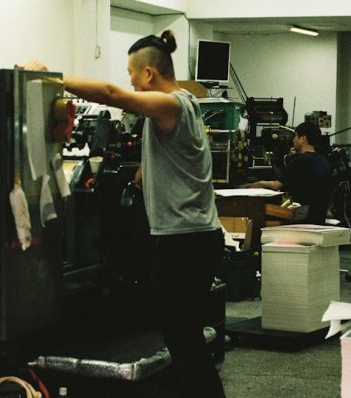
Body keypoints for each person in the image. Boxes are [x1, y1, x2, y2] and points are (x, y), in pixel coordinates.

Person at [23, 30, 225, 398]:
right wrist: (141, 174)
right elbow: (166, 163)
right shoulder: (185, 107)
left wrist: (50, 79)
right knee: (181, 334)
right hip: (193, 237)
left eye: (132, 74)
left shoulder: (172, 104)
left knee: (183, 338)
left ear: (148, 74)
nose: (129, 81)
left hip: (184, 241)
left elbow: (113, 95)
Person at [247, 122, 333, 225]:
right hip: (319, 218)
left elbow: (277, 185)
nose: (293, 139)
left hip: (302, 218)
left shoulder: (299, 161)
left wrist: (257, 184)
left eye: (295, 136)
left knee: (258, 221)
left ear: (303, 138)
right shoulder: (324, 161)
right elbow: (331, 191)